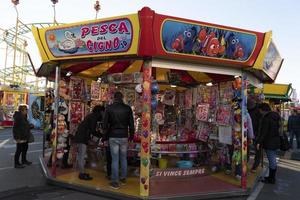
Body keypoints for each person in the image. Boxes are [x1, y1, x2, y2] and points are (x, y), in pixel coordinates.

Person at [103, 91, 134, 189]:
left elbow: (104, 124)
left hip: (113, 135)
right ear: (122, 98)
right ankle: (123, 178)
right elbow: (131, 124)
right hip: (124, 135)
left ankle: (115, 181)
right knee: (123, 158)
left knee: (115, 159)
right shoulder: (127, 108)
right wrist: (132, 136)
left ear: (114, 98)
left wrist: (105, 135)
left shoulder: (109, 108)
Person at [74, 105, 104, 180]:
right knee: (82, 155)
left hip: (82, 135)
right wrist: (101, 135)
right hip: (82, 137)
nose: (104, 114)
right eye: (103, 112)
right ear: (100, 111)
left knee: (82, 154)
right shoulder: (94, 117)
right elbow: (92, 130)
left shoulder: (92, 116)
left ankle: (82, 172)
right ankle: (81, 174)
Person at [256, 103, 281, 184]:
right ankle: (271, 177)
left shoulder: (266, 118)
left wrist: (259, 142)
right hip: (276, 140)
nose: (259, 112)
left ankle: (271, 178)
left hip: (269, 141)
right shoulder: (276, 116)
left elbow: (264, 132)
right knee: (272, 158)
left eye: (260, 110)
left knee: (272, 159)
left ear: (263, 110)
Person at [248, 100, 262, 172]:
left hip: (256, 132)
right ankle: (246, 161)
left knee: (257, 149)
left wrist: (258, 134)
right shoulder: (247, 109)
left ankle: (255, 166)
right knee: (246, 148)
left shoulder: (258, 111)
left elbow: (260, 123)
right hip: (247, 131)